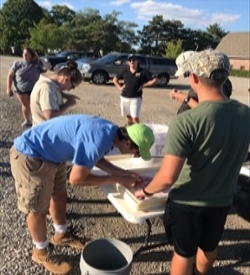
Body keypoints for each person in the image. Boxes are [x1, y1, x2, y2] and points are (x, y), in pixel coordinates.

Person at [134, 49, 250, 275]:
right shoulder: (245, 113)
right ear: (226, 76)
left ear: (193, 78)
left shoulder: (185, 121)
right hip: (222, 199)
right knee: (209, 246)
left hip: (187, 203)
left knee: (183, 253)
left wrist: (145, 191)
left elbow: (167, 178)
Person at [9, 114, 155, 275]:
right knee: (38, 209)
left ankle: (61, 235)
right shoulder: (99, 139)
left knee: (59, 195)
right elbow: (76, 179)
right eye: (137, 152)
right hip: (31, 156)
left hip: (52, 156)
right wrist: (117, 178)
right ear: (128, 143)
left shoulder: (110, 132)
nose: (135, 156)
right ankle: (40, 252)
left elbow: (95, 158)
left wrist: (124, 174)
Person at [6, 47, 51, 127]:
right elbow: (10, 76)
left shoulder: (37, 65)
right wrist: (8, 88)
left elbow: (48, 67)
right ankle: (27, 120)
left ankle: (37, 120)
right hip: (20, 89)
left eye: (27, 54)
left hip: (34, 89)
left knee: (35, 105)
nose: (25, 55)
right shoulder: (17, 63)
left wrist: (39, 59)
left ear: (32, 55)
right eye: (24, 54)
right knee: (25, 105)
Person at [30, 60, 82, 126]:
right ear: (66, 79)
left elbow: (53, 92)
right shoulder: (47, 88)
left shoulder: (48, 83)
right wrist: (68, 104)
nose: (69, 90)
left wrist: (65, 95)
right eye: (72, 87)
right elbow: (49, 116)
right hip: (44, 132)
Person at [113, 54, 159, 125]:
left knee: (135, 118)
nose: (132, 62)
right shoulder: (125, 71)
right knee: (128, 117)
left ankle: (137, 133)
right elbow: (115, 79)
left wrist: (145, 85)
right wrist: (119, 87)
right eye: (130, 60)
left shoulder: (143, 71)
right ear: (128, 62)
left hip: (136, 98)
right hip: (124, 97)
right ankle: (128, 132)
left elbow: (156, 80)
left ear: (137, 61)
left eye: (134, 60)